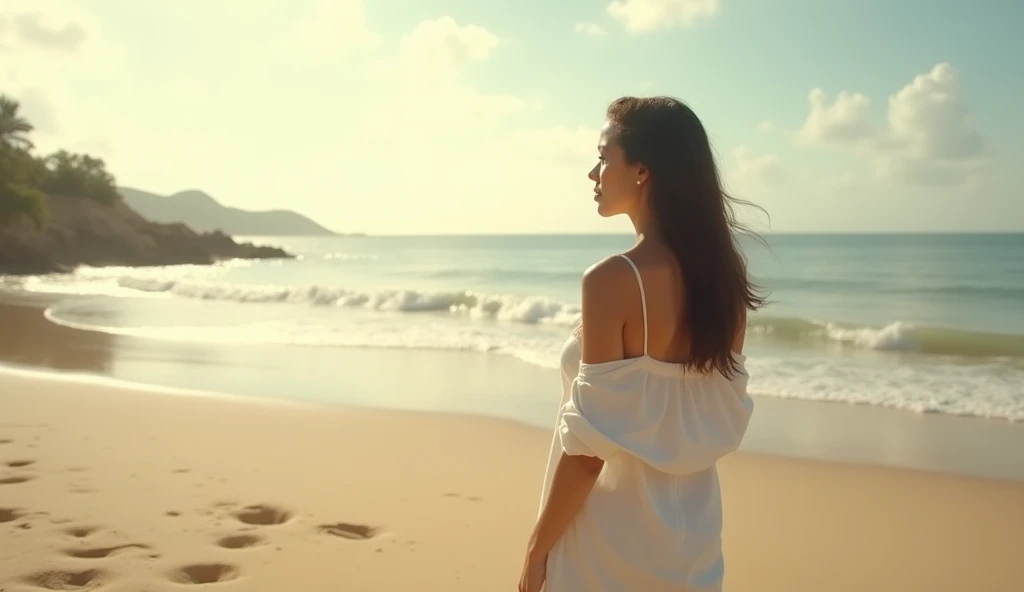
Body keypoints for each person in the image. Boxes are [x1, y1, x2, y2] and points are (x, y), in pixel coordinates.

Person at [519, 96, 767, 592]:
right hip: (691, 551)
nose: (593, 172)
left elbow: (588, 452)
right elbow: (695, 425)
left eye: (604, 156)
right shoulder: (725, 285)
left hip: (606, 549)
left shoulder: (614, 279)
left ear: (642, 171)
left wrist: (537, 549)